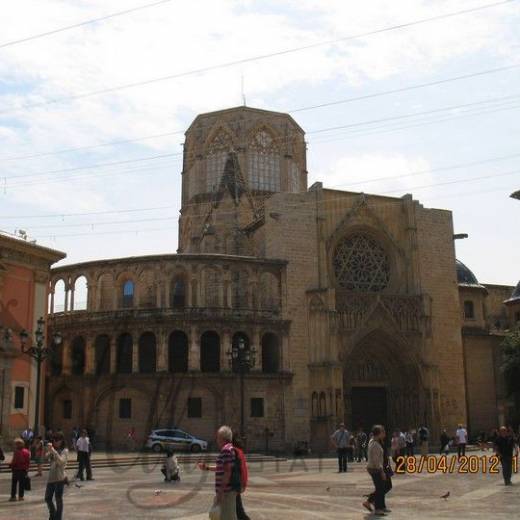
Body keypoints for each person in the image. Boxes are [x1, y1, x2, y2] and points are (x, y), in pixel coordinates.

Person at [198, 425, 238, 520]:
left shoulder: (226, 451)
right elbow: (222, 468)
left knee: (226, 517)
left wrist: (220, 493)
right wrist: (207, 468)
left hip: (226, 492)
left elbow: (227, 473)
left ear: (222, 438)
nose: (216, 440)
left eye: (217, 437)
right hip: (227, 491)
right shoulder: (229, 449)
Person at [365, 428, 393, 514]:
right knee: (380, 488)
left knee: (383, 487)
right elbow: (376, 460)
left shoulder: (377, 442)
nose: (384, 433)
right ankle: (377, 508)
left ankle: (380, 506)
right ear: (379, 433)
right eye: (383, 432)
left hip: (379, 467)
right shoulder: (374, 444)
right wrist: (382, 472)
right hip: (376, 469)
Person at [45, 432, 68, 520]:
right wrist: (48, 450)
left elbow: (62, 462)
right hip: (51, 478)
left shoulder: (64, 451)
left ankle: (58, 518)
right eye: (54, 440)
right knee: (47, 498)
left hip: (59, 478)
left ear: (61, 441)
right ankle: (53, 513)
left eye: (57, 440)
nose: (55, 442)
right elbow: (46, 459)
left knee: (58, 499)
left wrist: (53, 451)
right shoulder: (53, 450)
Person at [232, 435, 250, 520]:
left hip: (236, 484)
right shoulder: (239, 451)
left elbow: (236, 469)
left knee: (239, 512)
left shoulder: (234, 451)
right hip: (239, 483)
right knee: (238, 510)